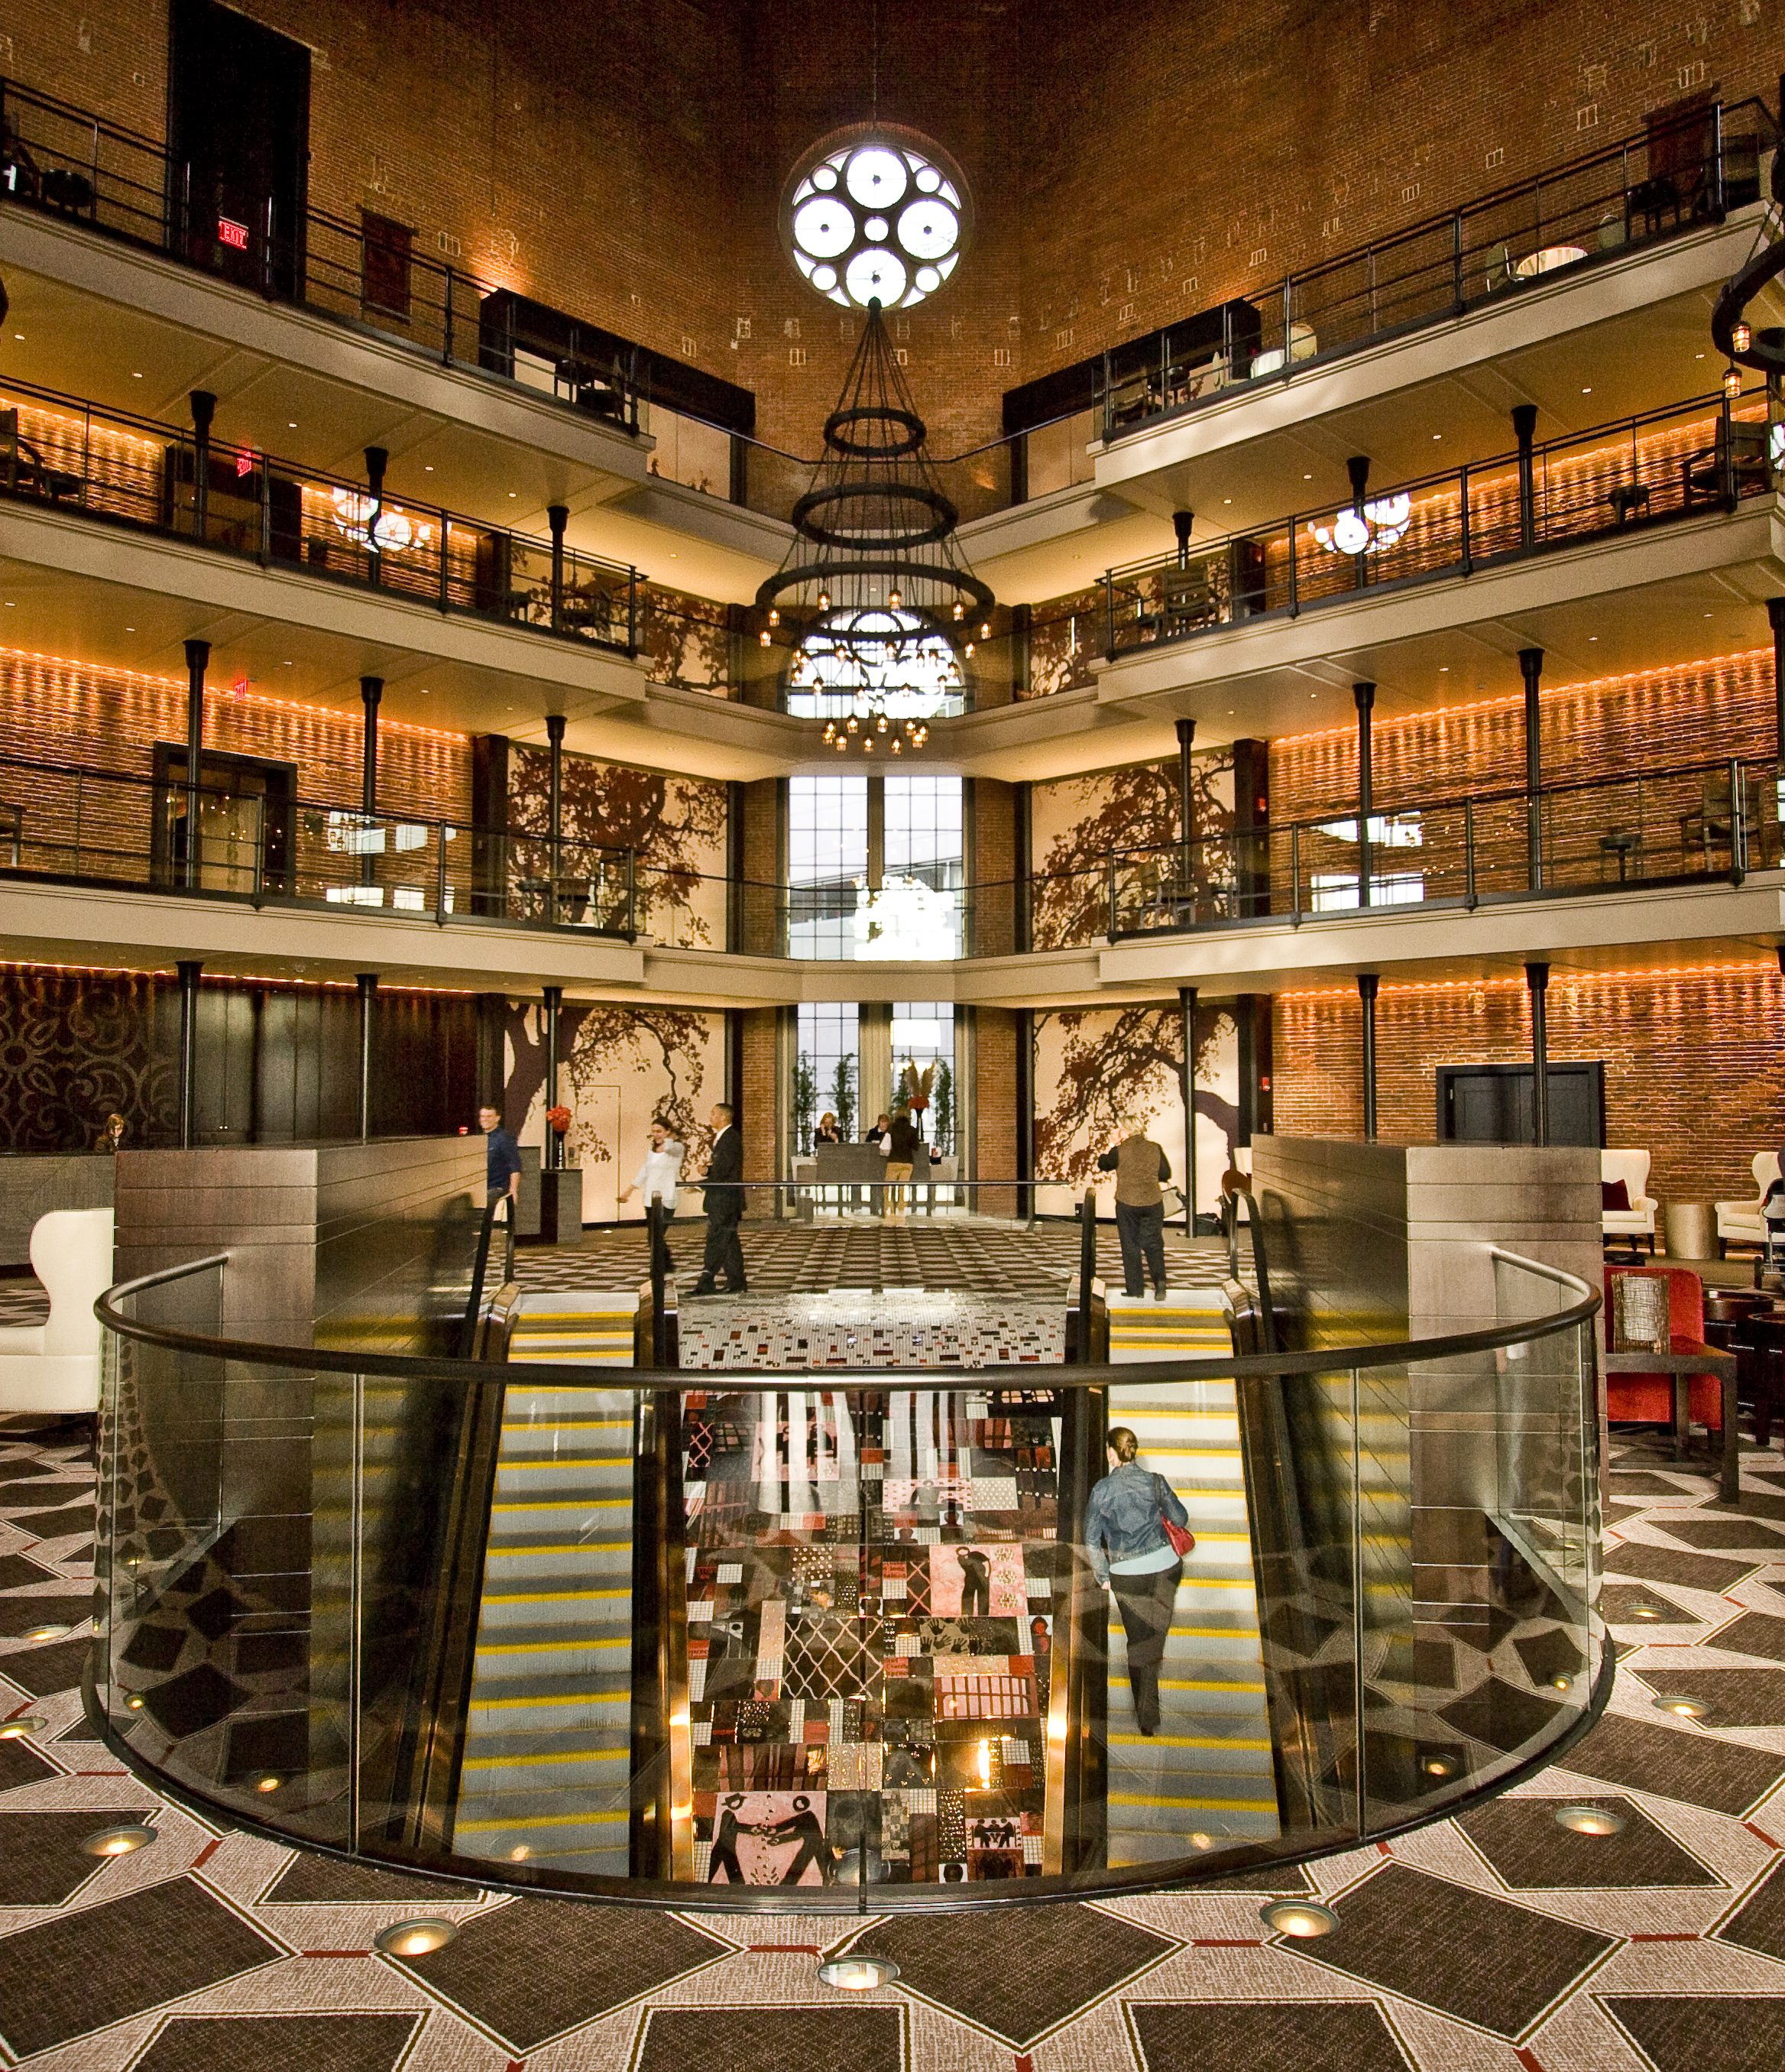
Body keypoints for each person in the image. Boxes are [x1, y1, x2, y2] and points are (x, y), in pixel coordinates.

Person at [1084, 1426, 1191, 1736]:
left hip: (1127, 1576)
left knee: (1138, 1643)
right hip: (1165, 1570)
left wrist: (1103, 1575)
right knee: (1155, 1637)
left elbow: (1091, 1540)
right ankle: (1150, 1683)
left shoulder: (1101, 1491)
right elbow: (1181, 1519)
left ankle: (1147, 1719)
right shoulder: (1155, 1482)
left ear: (1111, 1453)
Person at [1097, 1114, 1172, 1301]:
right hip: (1153, 1202)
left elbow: (1103, 1164)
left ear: (1125, 1130)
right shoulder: (1155, 1148)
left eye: (1118, 1128)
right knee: (1153, 1243)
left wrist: (1112, 1145)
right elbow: (1165, 1173)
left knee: (1130, 1245)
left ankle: (1135, 1289)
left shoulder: (1120, 1150)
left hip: (1127, 1202)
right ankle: (1160, 1284)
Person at [691, 1101, 747, 1295]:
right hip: (723, 1199)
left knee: (716, 1240)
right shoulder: (723, 1138)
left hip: (725, 1200)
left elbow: (725, 1171)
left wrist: (701, 1182)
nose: (711, 1117)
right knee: (728, 1243)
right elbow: (723, 1167)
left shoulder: (729, 1138)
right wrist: (708, 1170)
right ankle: (737, 1282)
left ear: (723, 1117)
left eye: (714, 1114)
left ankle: (706, 1281)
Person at [618, 1117, 685, 1273]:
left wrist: (669, 1138)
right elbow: (644, 1172)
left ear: (668, 1131)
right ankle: (664, 1265)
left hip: (667, 1197)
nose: (655, 1135)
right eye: (653, 1131)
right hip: (650, 1197)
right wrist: (629, 1190)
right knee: (653, 1236)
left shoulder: (677, 1148)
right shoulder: (652, 1151)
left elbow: (670, 1148)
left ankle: (661, 1266)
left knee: (657, 1234)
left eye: (659, 1131)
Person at [479, 1104, 521, 1208]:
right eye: (482, 1116)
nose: (485, 1119)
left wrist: (513, 1190)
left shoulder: (504, 1138)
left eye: (489, 1116)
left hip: (497, 1188)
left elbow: (515, 1166)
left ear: (497, 1118)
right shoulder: (479, 1139)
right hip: (481, 1187)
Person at [881, 1104, 919, 1219]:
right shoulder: (912, 1130)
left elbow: (886, 1145)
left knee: (888, 1187)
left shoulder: (891, 1128)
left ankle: (889, 1208)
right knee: (903, 1187)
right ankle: (901, 1210)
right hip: (907, 1162)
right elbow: (916, 1147)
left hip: (893, 1161)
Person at [955, 1544, 990, 1617]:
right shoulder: (962, 1559)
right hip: (970, 1580)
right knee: (968, 1596)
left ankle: (983, 1615)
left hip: (981, 1579)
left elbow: (987, 1562)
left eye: (963, 1551)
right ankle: (967, 1614)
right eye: (960, 1552)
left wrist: (986, 1575)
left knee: (983, 1597)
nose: (962, 1553)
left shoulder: (975, 1555)